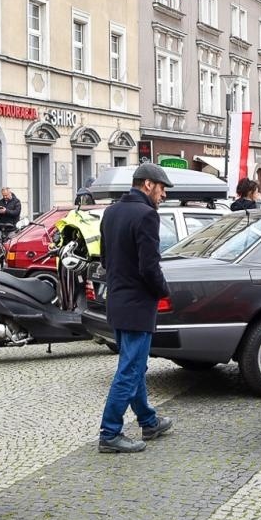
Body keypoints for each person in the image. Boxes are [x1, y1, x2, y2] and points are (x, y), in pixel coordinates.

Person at [97, 162, 175, 454]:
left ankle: (148, 421)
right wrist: (163, 290)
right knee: (129, 370)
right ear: (147, 184)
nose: (164, 194)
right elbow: (149, 266)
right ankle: (109, 432)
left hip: (117, 302)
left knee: (135, 366)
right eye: (162, 188)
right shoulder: (146, 215)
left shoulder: (111, 212)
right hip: (138, 306)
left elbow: (105, 259)